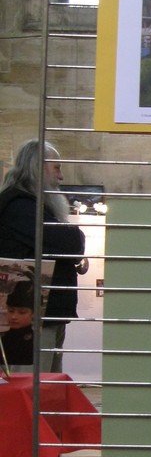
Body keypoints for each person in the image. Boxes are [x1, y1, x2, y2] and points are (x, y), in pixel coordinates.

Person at [0, 139, 87, 371]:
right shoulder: (19, 206)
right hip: (33, 318)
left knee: (48, 385)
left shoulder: (32, 206)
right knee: (31, 385)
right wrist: (77, 237)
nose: (61, 177)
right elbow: (69, 243)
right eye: (56, 168)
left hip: (46, 314)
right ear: (37, 167)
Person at [0, 278, 36, 367]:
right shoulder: (3, 337)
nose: (14, 317)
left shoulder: (36, 340)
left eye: (22, 312)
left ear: (33, 314)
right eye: (11, 311)